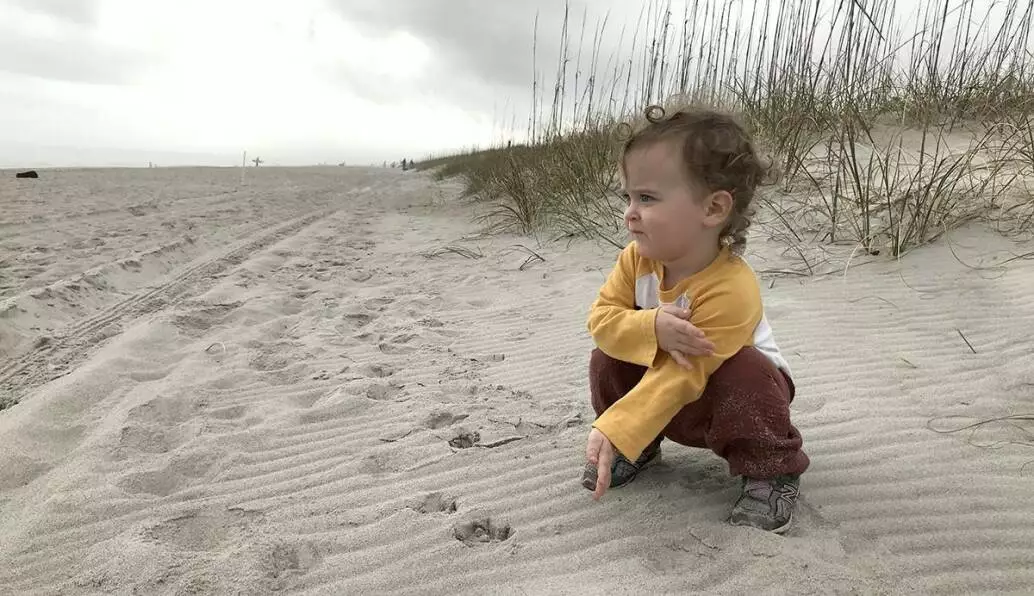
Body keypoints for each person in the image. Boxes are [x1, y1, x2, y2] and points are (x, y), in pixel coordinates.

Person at [581, 105, 809, 533]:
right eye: (627, 197)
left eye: (647, 198)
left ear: (713, 208)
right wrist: (650, 326)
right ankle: (639, 446)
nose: (630, 212)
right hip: (664, 398)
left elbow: (688, 373)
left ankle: (772, 468)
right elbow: (602, 319)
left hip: (731, 402)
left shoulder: (730, 287)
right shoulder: (635, 260)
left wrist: (614, 426)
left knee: (744, 368)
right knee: (607, 355)